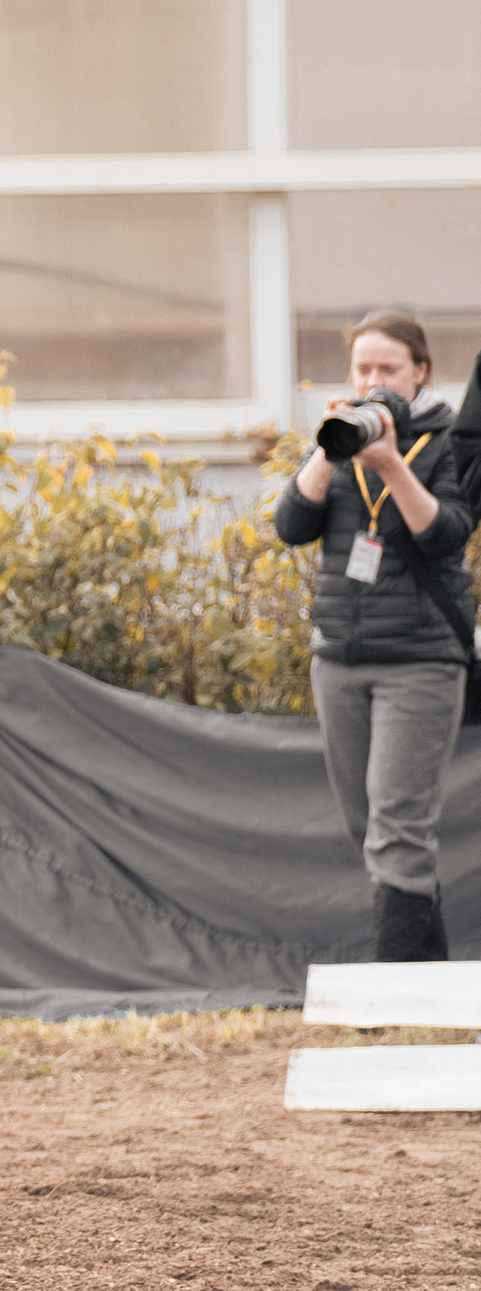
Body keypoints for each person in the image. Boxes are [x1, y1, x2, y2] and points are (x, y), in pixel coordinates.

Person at [273, 311, 472, 961]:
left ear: (420, 372)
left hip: (419, 661)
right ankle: (431, 979)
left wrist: (390, 463)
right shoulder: (342, 438)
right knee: (373, 828)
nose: (373, 380)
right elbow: (290, 524)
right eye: (362, 368)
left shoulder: (445, 441)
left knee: (396, 828)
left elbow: (446, 534)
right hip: (338, 656)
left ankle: (388, 990)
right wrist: (331, 454)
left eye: (387, 368)